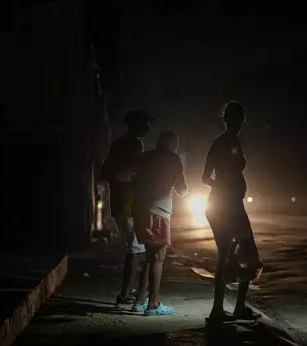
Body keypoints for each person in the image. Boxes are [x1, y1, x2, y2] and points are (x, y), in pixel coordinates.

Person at [202, 101, 263, 322]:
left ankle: (221, 309)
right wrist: (224, 186)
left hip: (222, 205)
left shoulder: (222, 143)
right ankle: (232, 308)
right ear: (233, 120)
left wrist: (222, 185)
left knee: (229, 255)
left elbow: (205, 177)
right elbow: (207, 177)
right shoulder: (226, 143)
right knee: (245, 254)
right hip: (228, 206)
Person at [130, 131, 188, 316]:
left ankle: (140, 301)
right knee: (159, 257)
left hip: (140, 209)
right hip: (159, 211)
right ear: (173, 145)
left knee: (149, 255)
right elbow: (182, 189)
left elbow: (133, 178)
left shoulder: (145, 157)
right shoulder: (173, 159)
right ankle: (153, 304)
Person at [100, 110, 154, 305]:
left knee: (135, 250)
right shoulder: (135, 145)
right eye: (146, 124)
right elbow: (125, 174)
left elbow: (105, 173)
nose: (148, 128)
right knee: (136, 251)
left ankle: (127, 292)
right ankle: (124, 294)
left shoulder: (118, 145)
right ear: (137, 125)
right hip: (128, 205)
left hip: (120, 204)